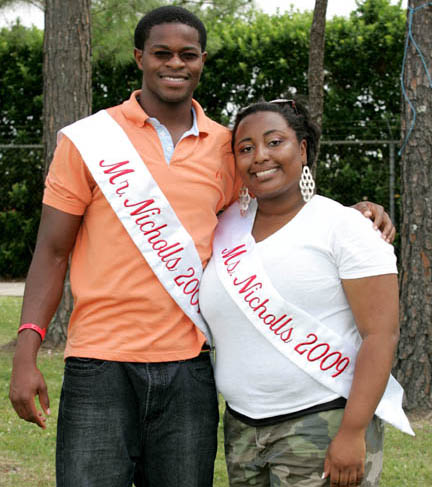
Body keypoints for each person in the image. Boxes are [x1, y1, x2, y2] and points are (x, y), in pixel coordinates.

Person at [9, 6, 395, 487]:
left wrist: (358, 213)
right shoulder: (90, 141)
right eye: (162, 53)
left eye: (187, 54)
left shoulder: (227, 146)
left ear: (202, 61)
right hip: (98, 364)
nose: (175, 64)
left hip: (189, 367)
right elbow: (51, 251)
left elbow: (280, 201)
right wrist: (27, 351)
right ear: (139, 57)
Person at [199, 99, 413, 487]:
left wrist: (351, 433)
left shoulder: (345, 227)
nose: (259, 156)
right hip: (242, 429)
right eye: (245, 148)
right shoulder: (223, 228)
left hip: (323, 422)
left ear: (301, 149)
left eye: (274, 142)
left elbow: (381, 336)